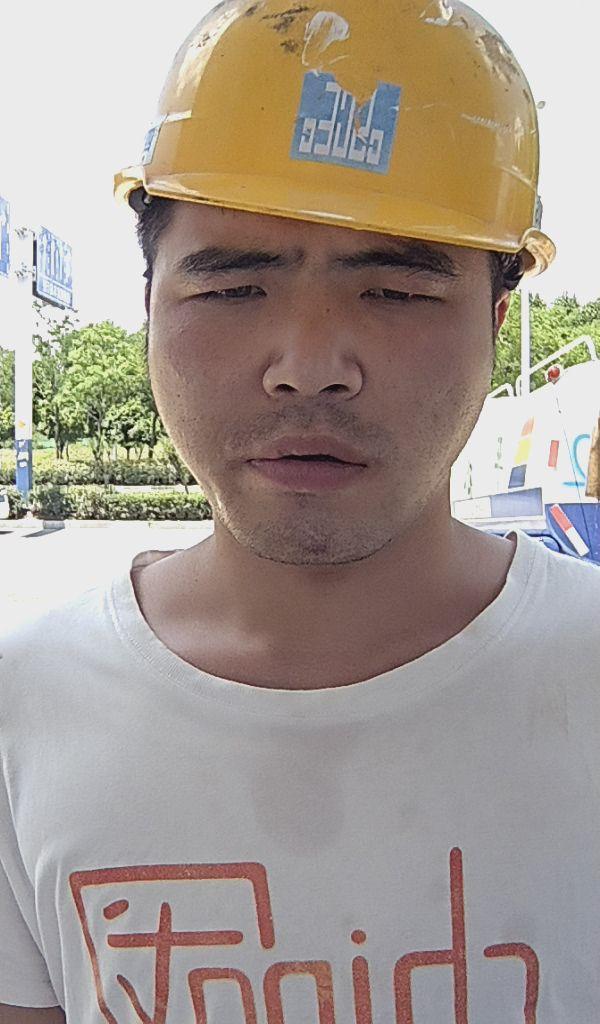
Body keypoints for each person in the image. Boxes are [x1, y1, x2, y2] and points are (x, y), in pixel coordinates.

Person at [1, 2, 599, 1021]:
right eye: (235, 288)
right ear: (148, 306)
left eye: (396, 292)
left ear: (497, 323)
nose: (310, 365)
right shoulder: (24, 709)